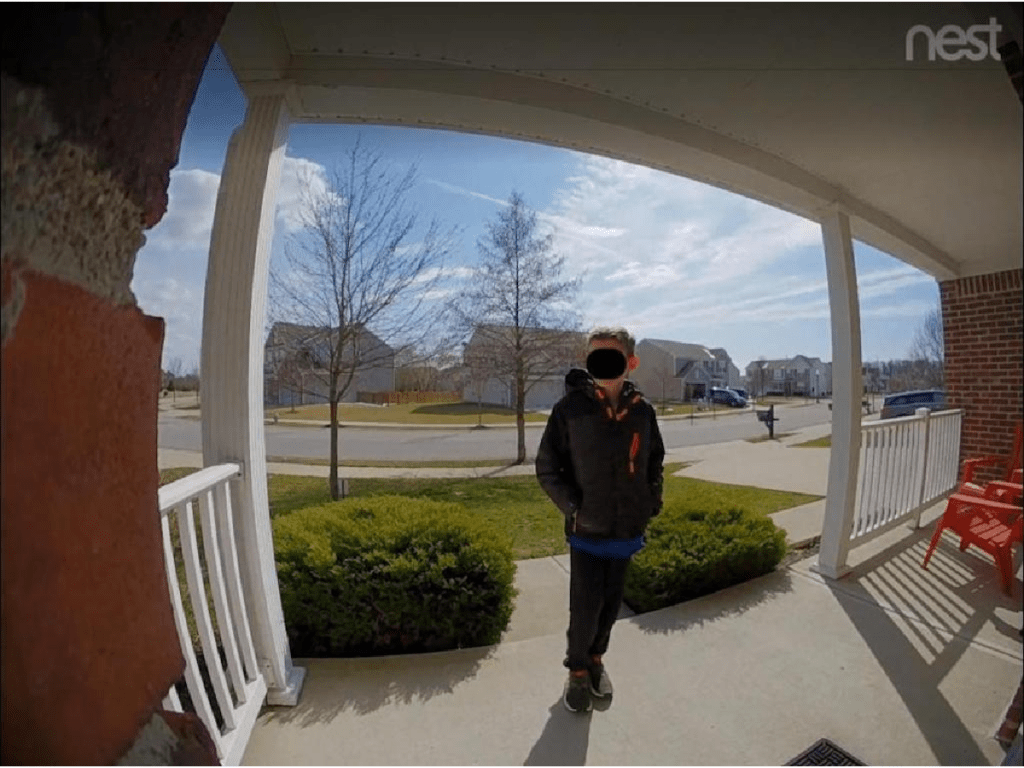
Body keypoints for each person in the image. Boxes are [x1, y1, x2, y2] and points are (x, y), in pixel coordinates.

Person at [535, 326, 665, 713]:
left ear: (631, 362)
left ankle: (596, 661)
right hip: (586, 531)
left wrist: (650, 501)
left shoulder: (642, 411)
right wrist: (574, 508)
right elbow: (547, 467)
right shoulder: (569, 410)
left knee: (610, 606)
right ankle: (576, 672)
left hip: (626, 529)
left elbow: (655, 461)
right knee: (585, 607)